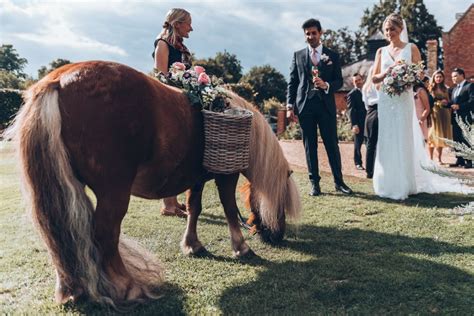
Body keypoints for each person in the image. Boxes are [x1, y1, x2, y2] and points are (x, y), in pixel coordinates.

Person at [371, 13, 471, 200]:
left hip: (403, 99)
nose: (389, 32)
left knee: (403, 137)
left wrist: (406, 79)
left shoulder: (411, 48)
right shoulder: (380, 52)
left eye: (392, 29)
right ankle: (387, 182)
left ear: (401, 29)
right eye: (386, 30)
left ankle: (405, 183)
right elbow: (374, 79)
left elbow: (421, 74)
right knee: (387, 138)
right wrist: (387, 74)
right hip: (386, 100)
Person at [287, 18, 352, 196]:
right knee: (310, 145)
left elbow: (339, 81)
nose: (310, 36)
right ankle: (314, 184)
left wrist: (327, 85)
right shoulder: (297, 55)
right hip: (305, 106)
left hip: (326, 107)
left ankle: (339, 182)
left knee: (332, 144)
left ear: (320, 33)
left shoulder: (332, 55)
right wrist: (289, 105)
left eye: (313, 33)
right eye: (307, 34)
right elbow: (292, 82)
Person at [153, 8, 193, 217]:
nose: (191, 28)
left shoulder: (179, 45)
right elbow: (161, 75)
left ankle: (174, 202)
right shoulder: (162, 43)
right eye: (188, 23)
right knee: (169, 152)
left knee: (180, 152)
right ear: (177, 24)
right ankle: (168, 206)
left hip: (180, 102)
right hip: (167, 104)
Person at [448, 67, 473, 169]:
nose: (453, 78)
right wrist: (446, 104)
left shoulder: (470, 86)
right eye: (452, 77)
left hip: (465, 117)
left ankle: (469, 161)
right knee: (457, 139)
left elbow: (472, 101)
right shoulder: (454, 89)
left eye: (455, 76)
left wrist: (460, 106)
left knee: (465, 139)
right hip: (455, 118)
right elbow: (454, 103)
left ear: (462, 75)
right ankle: (460, 160)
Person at [427, 70, 452, 164]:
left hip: (444, 112)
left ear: (443, 78)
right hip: (434, 112)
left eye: (440, 77)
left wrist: (446, 102)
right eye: (437, 77)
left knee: (441, 135)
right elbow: (427, 101)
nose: (438, 78)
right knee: (432, 135)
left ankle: (439, 158)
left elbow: (449, 101)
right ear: (434, 77)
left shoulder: (445, 89)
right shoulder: (430, 88)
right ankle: (430, 158)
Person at [346, 73, 367, 170]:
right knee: (358, 144)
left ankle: (371, 163)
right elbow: (350, 110)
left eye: (359, 80)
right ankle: (358, 163)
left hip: (369, 120)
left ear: (362, 80)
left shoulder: (367, 90)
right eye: (356, 81)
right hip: (358, 122)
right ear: (353, 82)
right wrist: (354, 124)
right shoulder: (351, 94)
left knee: (370, 143)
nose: (358, 82)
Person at [362, 67, 378, 179]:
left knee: (370, 144)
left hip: (370, 113)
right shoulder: (379, 85)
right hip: (379, 111)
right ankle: (375, 169)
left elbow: (366, 104)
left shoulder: (365, 87)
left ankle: (369, 171)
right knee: (379, 143)